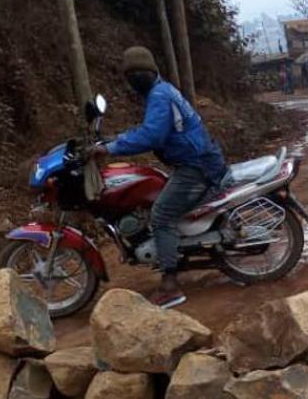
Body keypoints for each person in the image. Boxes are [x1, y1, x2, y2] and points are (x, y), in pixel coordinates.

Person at [93, 47, 226, 309]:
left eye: (136, 74)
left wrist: (110, 148)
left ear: (147, 73)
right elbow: (149, 130)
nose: (133, 79)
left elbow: (152, 136)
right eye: (130, 75)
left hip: (195, 166)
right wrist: (114, 140)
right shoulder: (161, 91)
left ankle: (170, 285)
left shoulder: (159, 95)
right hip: (196, 159)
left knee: (161, 215)